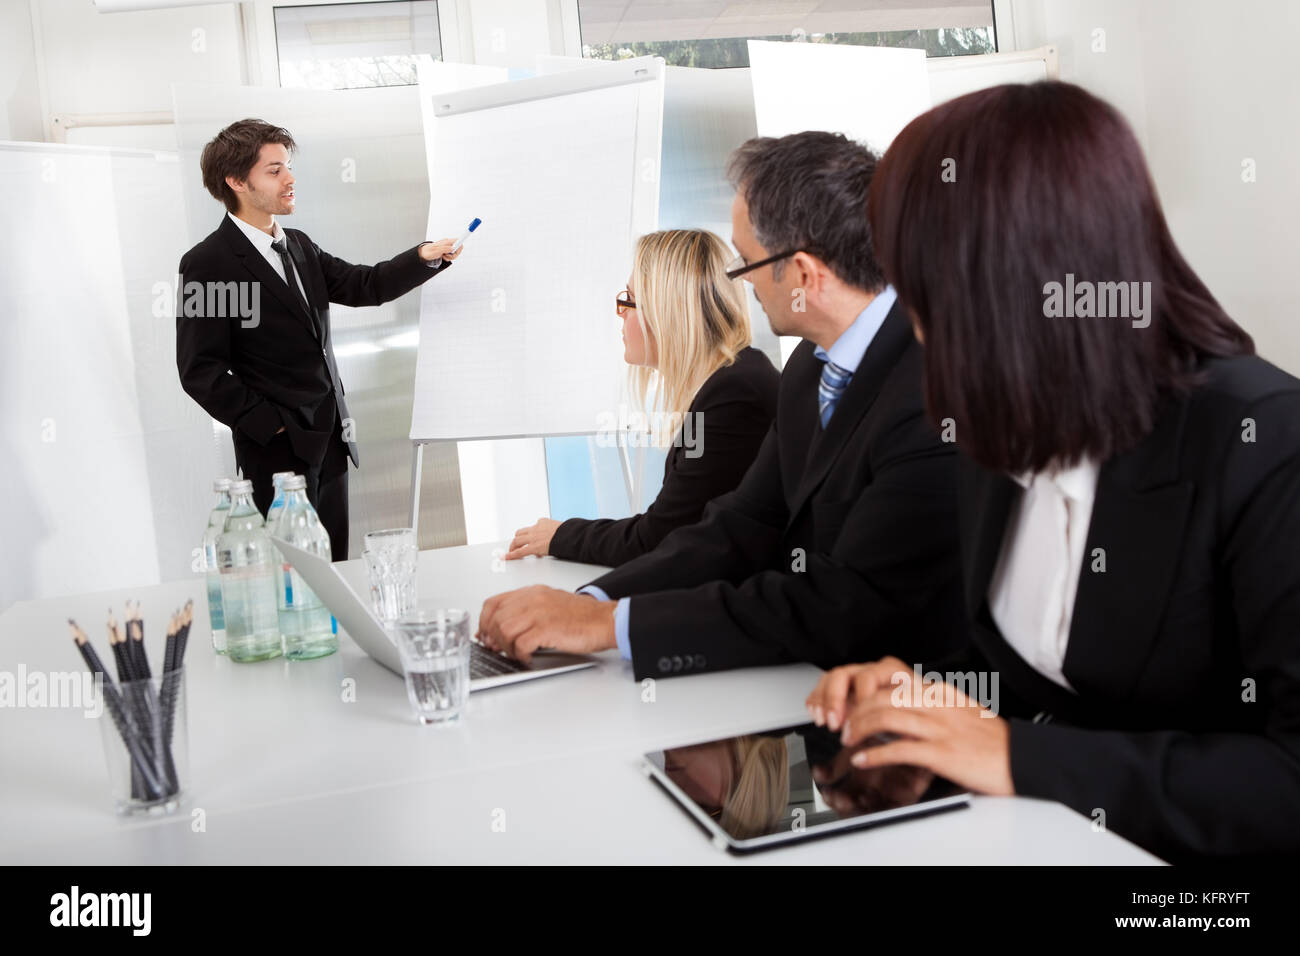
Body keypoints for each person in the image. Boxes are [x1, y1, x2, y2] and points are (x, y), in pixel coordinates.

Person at [805, 81, 1300, 862]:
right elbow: (1041, 674)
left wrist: (1008, 755)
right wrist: (930, 704)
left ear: (993, 293)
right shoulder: (1003, 426)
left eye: (917, 287)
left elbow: (1285, 781)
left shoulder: (1263, 442)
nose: (911, 322)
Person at [477, 131, 964, 680]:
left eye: (748, 261)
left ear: (803, 274)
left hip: (921, 715)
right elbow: (738, 525)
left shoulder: (936, 389)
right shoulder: (810, 366)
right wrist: (590, 602)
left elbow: (845, 601)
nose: (740, 281)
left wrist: (611, 625)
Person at [175, 117, 461, 558]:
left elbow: (365, 286)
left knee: (336, 571)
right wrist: (273, 426)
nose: (290, 180)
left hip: (330, 444)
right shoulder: (207, 264)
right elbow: (201, 371)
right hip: (275, 458)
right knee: (291, 581)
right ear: (236, 182)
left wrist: (424, 257)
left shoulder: (300, 246)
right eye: (274, 171)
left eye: (287, 167)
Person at [505, 229, 778, 567]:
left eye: (629, 300)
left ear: (668, 311)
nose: (620, 313)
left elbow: (663, 537)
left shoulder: (733, 395)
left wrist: (560, 536)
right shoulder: (731, 381)